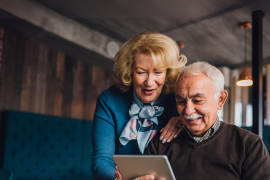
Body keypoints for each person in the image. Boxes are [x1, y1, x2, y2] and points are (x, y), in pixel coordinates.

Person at [115, 62, 270, 180]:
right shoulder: (160, 145)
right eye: (181, 102)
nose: (187, 111)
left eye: (197, 100)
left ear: (220, 100)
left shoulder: (249, 145)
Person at [91, 31, 187, 180]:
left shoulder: (178, 101)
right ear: (129, 71)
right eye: (141, 72)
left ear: (168, 73)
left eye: (158, 72)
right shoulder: (109, 101)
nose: (149, 82)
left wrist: (185, 121)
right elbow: (102, 160)